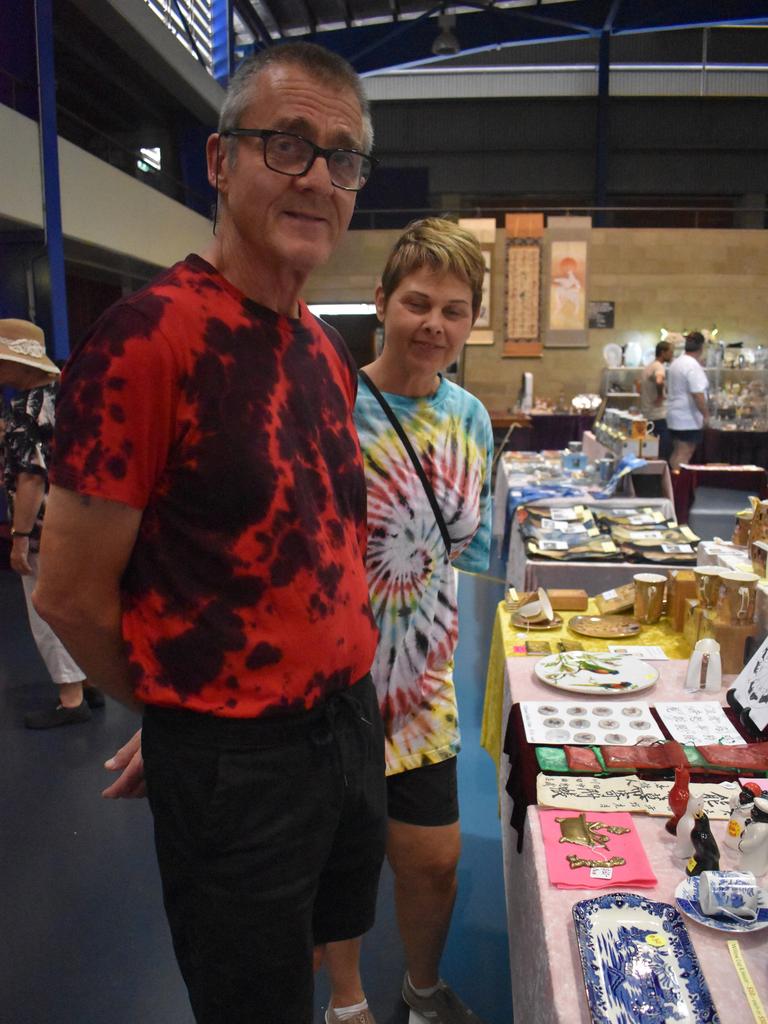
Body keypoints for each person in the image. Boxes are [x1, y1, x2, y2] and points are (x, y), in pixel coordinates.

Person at [33, 42, 386, 1024]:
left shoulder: (322, 347)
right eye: (288, 144)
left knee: (319, 950)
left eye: (342, 156)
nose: (318, 175)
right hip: (241, 764)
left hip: (347, 726)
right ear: (220, 161)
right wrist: (185, 712)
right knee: (248, 1001)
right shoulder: (148, 340)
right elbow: (66, 592)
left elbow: (316, 538)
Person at [324, 219, 493, 1024]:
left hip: (422, 685)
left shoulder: (470, 419)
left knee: (436, 862)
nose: (435, 324)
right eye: (418, 302)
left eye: (455, 310)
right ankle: (347, 1000)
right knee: (338, 862)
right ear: (381, 301)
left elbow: (468, 548)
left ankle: (421, 991)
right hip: (332, 680)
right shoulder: (333, 407)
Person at [0, 320, 101, 728]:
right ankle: (90, 681)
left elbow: (30, 477)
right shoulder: (68, 396)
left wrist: (20, 537)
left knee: (45, 610)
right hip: (81, 520)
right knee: (75, 607)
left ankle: (70, 697)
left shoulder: (24, 409)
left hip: (44, 528)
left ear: (20, 365)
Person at [666, 331, 709, 470]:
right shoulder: (692, 366)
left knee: (677, 452)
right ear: (701, 348)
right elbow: (697, 393)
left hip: (675, 415)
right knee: (685, 454)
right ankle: (677, 488)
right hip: (687, 418)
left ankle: (671, 484)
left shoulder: (677, 362)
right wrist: (706, 415)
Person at [638, 339, 673, 460]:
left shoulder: (648, 367)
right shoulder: (659, 367)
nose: (672, 355)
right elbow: (659, 380)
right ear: (663, 353)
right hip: (658, 414)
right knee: (664, 449)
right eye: (670, 352)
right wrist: (660, 396)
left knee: (650, 447)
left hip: (648, 413)